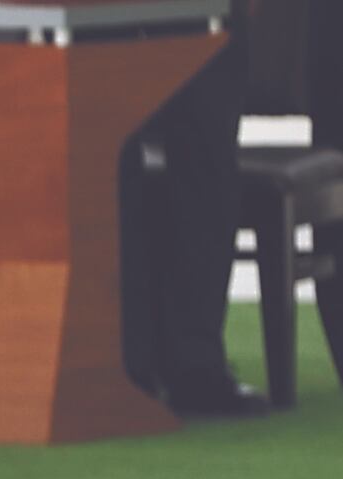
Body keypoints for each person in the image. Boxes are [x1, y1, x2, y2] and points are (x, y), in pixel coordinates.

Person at [119, 2, 270, 417]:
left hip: (206, 23)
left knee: (206, 166)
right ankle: (126, 359)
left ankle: (195, 365)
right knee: (103, 167)